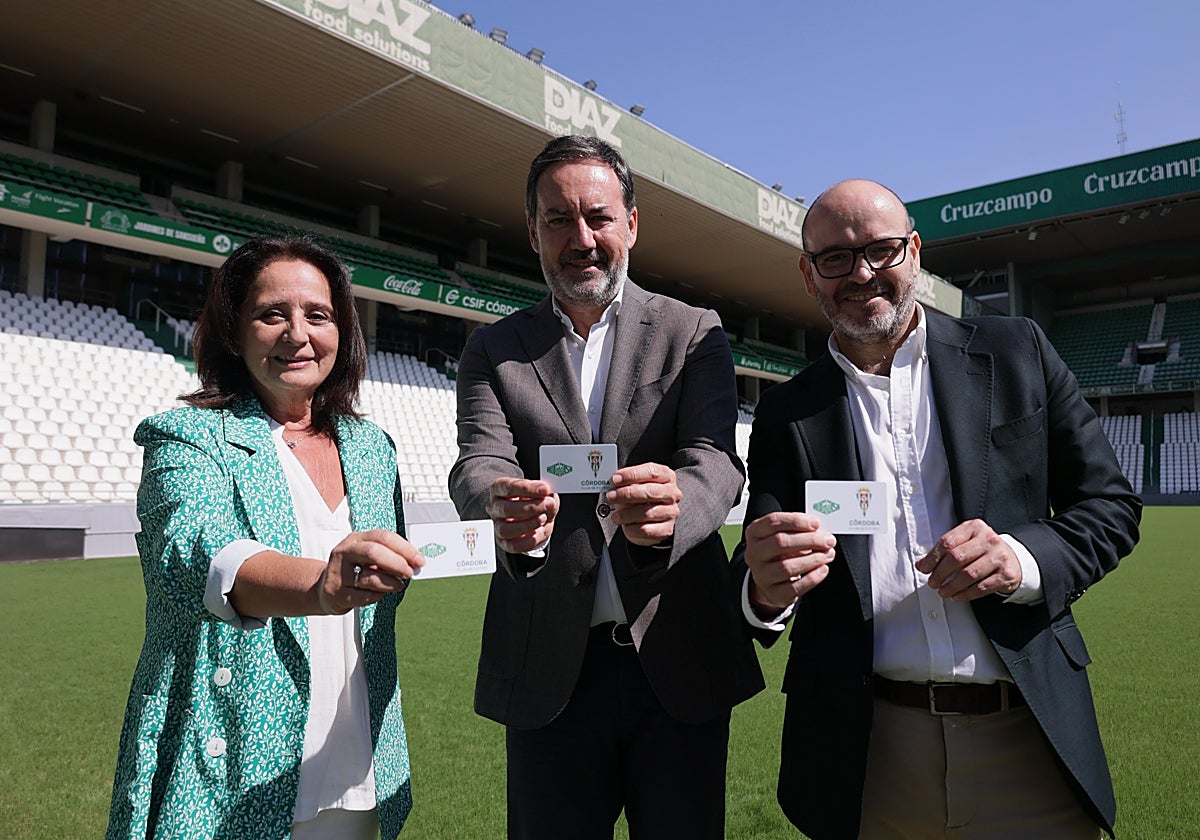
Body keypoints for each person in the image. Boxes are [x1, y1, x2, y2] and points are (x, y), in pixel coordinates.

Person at [737, 179, 1141, 839]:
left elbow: (1109, 506)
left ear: (915, 252)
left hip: (1025, 733)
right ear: (809, 275)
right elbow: (759, 559)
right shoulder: (788, 412)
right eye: (835, 258)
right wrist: (762, 586)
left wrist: (1019, 558)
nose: (861, 273)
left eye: (881, 250)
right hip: (867, 750)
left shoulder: (1018, 353)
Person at [449, 135, 763, 839]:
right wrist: (500, 500)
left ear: (632, 224)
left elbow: (716, 459)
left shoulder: (694, 331)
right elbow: (478, 459)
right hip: (547, 666)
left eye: (597, 216)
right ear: (532, 232)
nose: (580, 237)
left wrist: (675, 506)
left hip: (679, 657)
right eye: (558, 219)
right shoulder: (493, 348)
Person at [107, 234, 423, 840]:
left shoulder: (372, 450)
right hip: (228, 765)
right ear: (234, 331)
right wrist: (321, 585)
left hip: (354, 760)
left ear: (343, 332)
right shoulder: (187, 437)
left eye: (318, 315)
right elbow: (201, 556)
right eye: (272, 313)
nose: (297, 333)